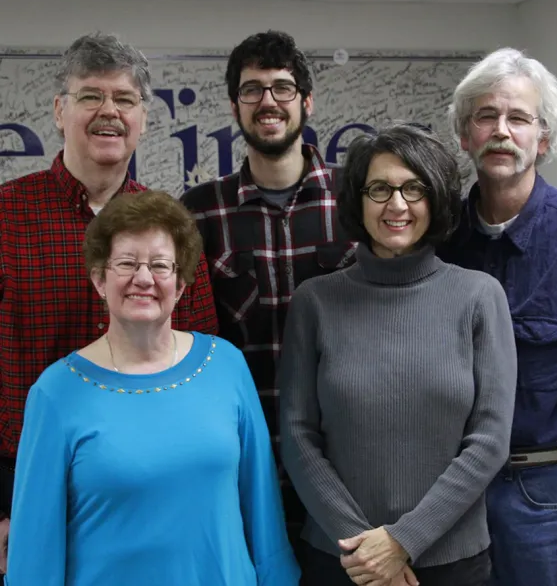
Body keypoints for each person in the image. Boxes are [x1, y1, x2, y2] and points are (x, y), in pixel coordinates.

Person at [0, 32, 218, 572]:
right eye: (90, 96)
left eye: (125, 99)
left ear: (144, 117)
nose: (109, 112)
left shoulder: (171, 226)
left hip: (153, 482)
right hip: (21, 483)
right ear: (58, 110)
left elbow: (201, 366)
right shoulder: (6, 216)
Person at [5, 190, 299, 586]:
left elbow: (262, 506)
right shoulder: (55, 393)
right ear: (99, 279)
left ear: (179, 286)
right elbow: (34, 551)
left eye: (160, 265)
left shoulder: (225, 364)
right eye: (127, 263)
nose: (143, 278)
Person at [278, 123, 517, 586]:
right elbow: (297, 434)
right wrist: (366, 551)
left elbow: (490, 441)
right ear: (358, 200)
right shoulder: (315, 301)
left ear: (437, 199)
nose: (397, 204)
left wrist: (403, 541)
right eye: (380, 188)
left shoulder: (479, 297)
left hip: (452, 564)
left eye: (414, 188)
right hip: (341, 560)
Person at [180, 30, 356, 548]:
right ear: (235, 105)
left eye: (282, 88)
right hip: (243, 461)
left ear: (306, 100)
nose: (268, 102)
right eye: (252, 90)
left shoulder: (359, 198)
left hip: (346, 459)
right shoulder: (199, 211)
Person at [438, 47, 557, 586]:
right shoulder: (439, 241)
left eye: (519, 118)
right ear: (465, 136)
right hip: (452, 496)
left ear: (544, 139)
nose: (501, 130)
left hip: (549, 498)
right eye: (486, 116)